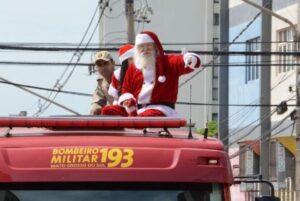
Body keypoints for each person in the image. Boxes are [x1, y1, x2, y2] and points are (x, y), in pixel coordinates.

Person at [101, 31, 201, 117]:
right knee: (107, 111)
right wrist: (127, 100)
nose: (145, 49)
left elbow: (182, 61)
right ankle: (119, 136)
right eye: (141, 47)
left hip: (160, 109)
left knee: (145, 117)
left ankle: (134, 121)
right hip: (135, 109)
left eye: (148, 46)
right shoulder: (134, 67)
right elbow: (126, 89)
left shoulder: (168, 62)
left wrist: (190, 59)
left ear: (155, 46)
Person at [90, 51, 115, 115]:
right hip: (115, 118)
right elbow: (96, 104)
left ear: (113, 63)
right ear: (96, 68)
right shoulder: (101, 83)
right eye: (99, 65)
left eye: (106, 63)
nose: (103, 67)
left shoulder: (122, 76)